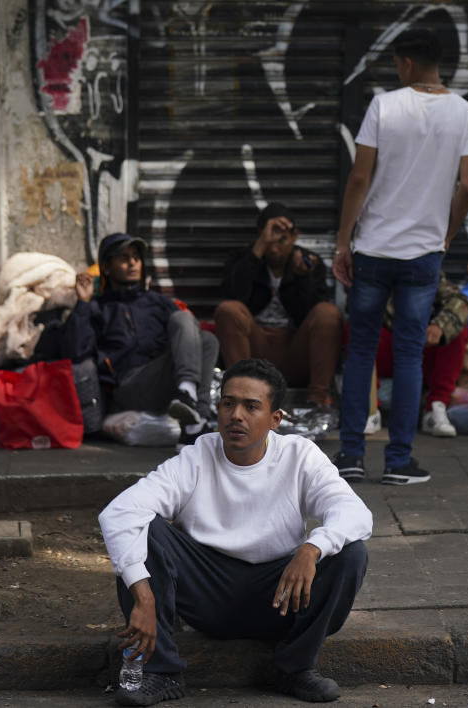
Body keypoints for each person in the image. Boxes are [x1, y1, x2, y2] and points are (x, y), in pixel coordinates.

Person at [98, 358, 372, 705]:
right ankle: (160, 672)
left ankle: (294, 669)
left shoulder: (300, 456)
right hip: (205, 592)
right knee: (144, 528)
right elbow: (119, 512)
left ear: (276, 419)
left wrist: (311, 548)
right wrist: (143, 592)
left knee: (351, 552)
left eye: (251, 406)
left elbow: (355, 512)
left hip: (280, 596)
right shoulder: (197, 456)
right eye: (228, 403)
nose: (236, 415)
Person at [332, 28, 468, 484]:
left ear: (406, 64)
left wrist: (344, 240)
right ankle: (399, 462)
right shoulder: (467, 114)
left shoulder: (384, 105)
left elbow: (359, 178)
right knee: (411, 354)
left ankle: (353, 456)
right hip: (423, 256)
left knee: (360, 352)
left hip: (374, 249)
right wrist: (447, 233)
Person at [62, 232, 219, 445]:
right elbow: (77, 350)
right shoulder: (98, 307)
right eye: (124, 258)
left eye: (136, 257)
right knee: (196, 332)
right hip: (129, 387)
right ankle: (194, 415)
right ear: (106, 267)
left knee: (207, 339)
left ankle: (194, 417)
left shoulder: (156, 302)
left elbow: (191, 335)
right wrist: (83, 302)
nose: (133, 262)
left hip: (165, 384)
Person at [214, 203, 342, 408]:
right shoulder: (243, 259)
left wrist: (303, 279)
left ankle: (318, 400)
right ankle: (242, 395)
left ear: (294, 236)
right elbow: (232, 296)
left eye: (281, 240)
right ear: (260, 236)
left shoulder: (309, 263)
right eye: (269, 241)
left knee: (328, 313)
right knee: (228, 310)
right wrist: (258, 250)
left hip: (294, 350)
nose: (274, 248)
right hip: (254, 350)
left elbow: (316, 322)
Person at [379, 274, 468, 437]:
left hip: (420, 345)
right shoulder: (371, 263)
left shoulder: (424, 263)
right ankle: (369, 409)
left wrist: (439, 326)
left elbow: (460, 301)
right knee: (358, 329)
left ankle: (436, 407)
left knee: (455, 330)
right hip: (388, 344)